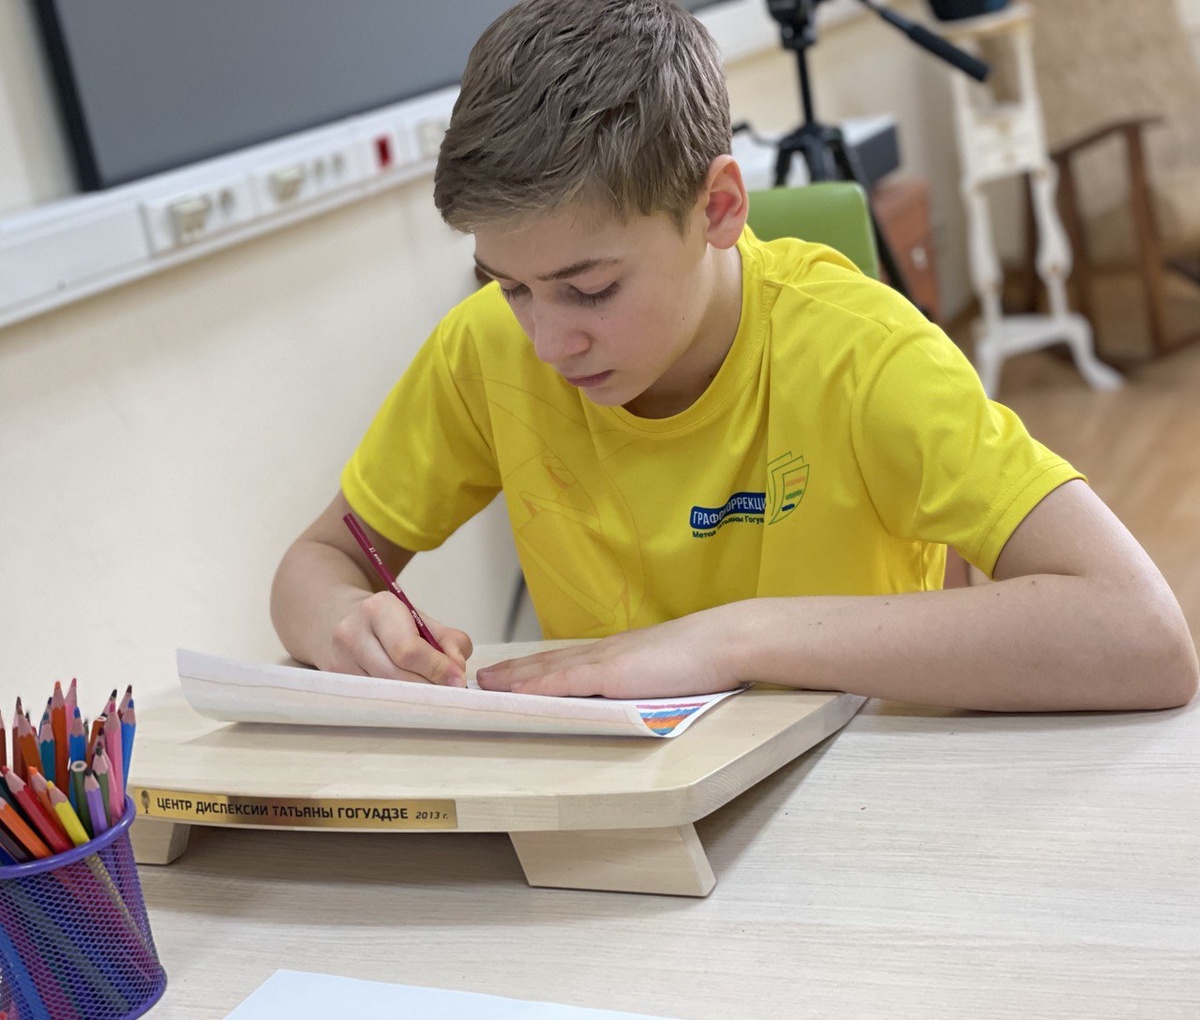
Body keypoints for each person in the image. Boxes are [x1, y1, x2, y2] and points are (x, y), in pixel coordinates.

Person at [271, 0, 1196, 712]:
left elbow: (1145, 634)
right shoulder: (485, 350)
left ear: (717, 207)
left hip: (865, 800)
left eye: (590, 289)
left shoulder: (861, 352)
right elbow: (317, 561)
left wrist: (731, 639)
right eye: (511, 285)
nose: (549, 343)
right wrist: (345, 623)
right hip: (624, 819)